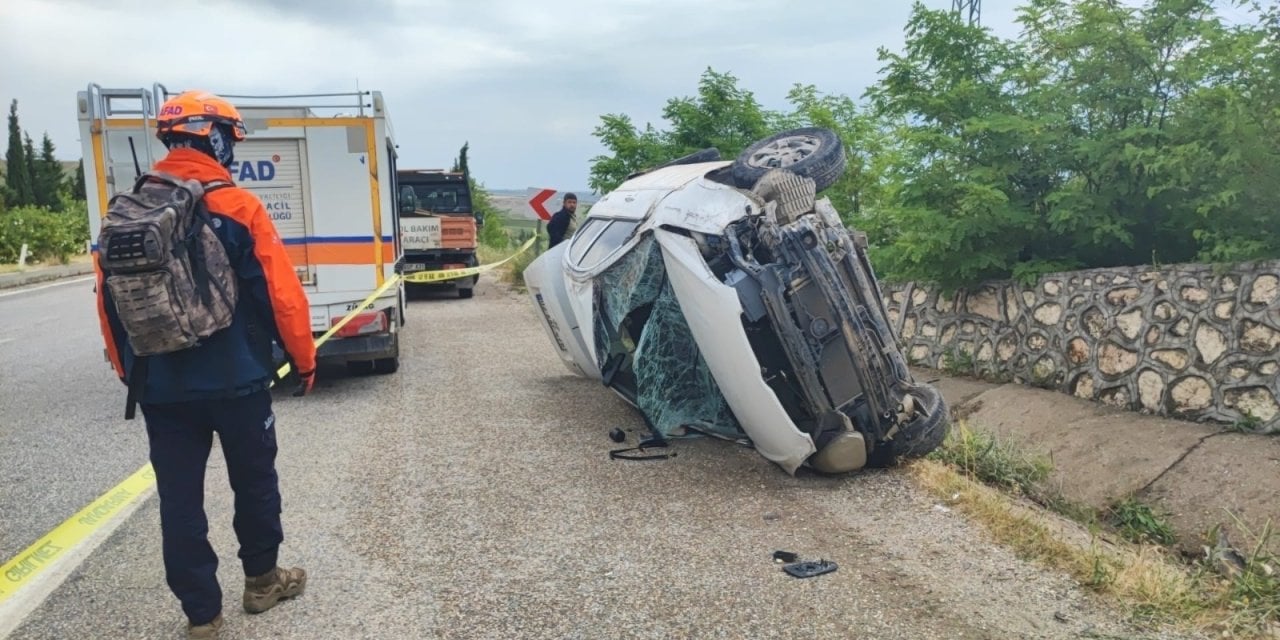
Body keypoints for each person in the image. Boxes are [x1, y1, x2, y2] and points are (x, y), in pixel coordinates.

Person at [95, 90, 315, 639]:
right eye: (232, 140)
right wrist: (303, 360)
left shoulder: (128, 209)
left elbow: (108, 302)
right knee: (255, 481)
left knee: (179, 498)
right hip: (237, 381)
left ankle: (201, 616)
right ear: (216, 139)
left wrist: (131, 371)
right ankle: (263, 583)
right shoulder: (238, 206)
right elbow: (280, 295)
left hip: (161, 386)